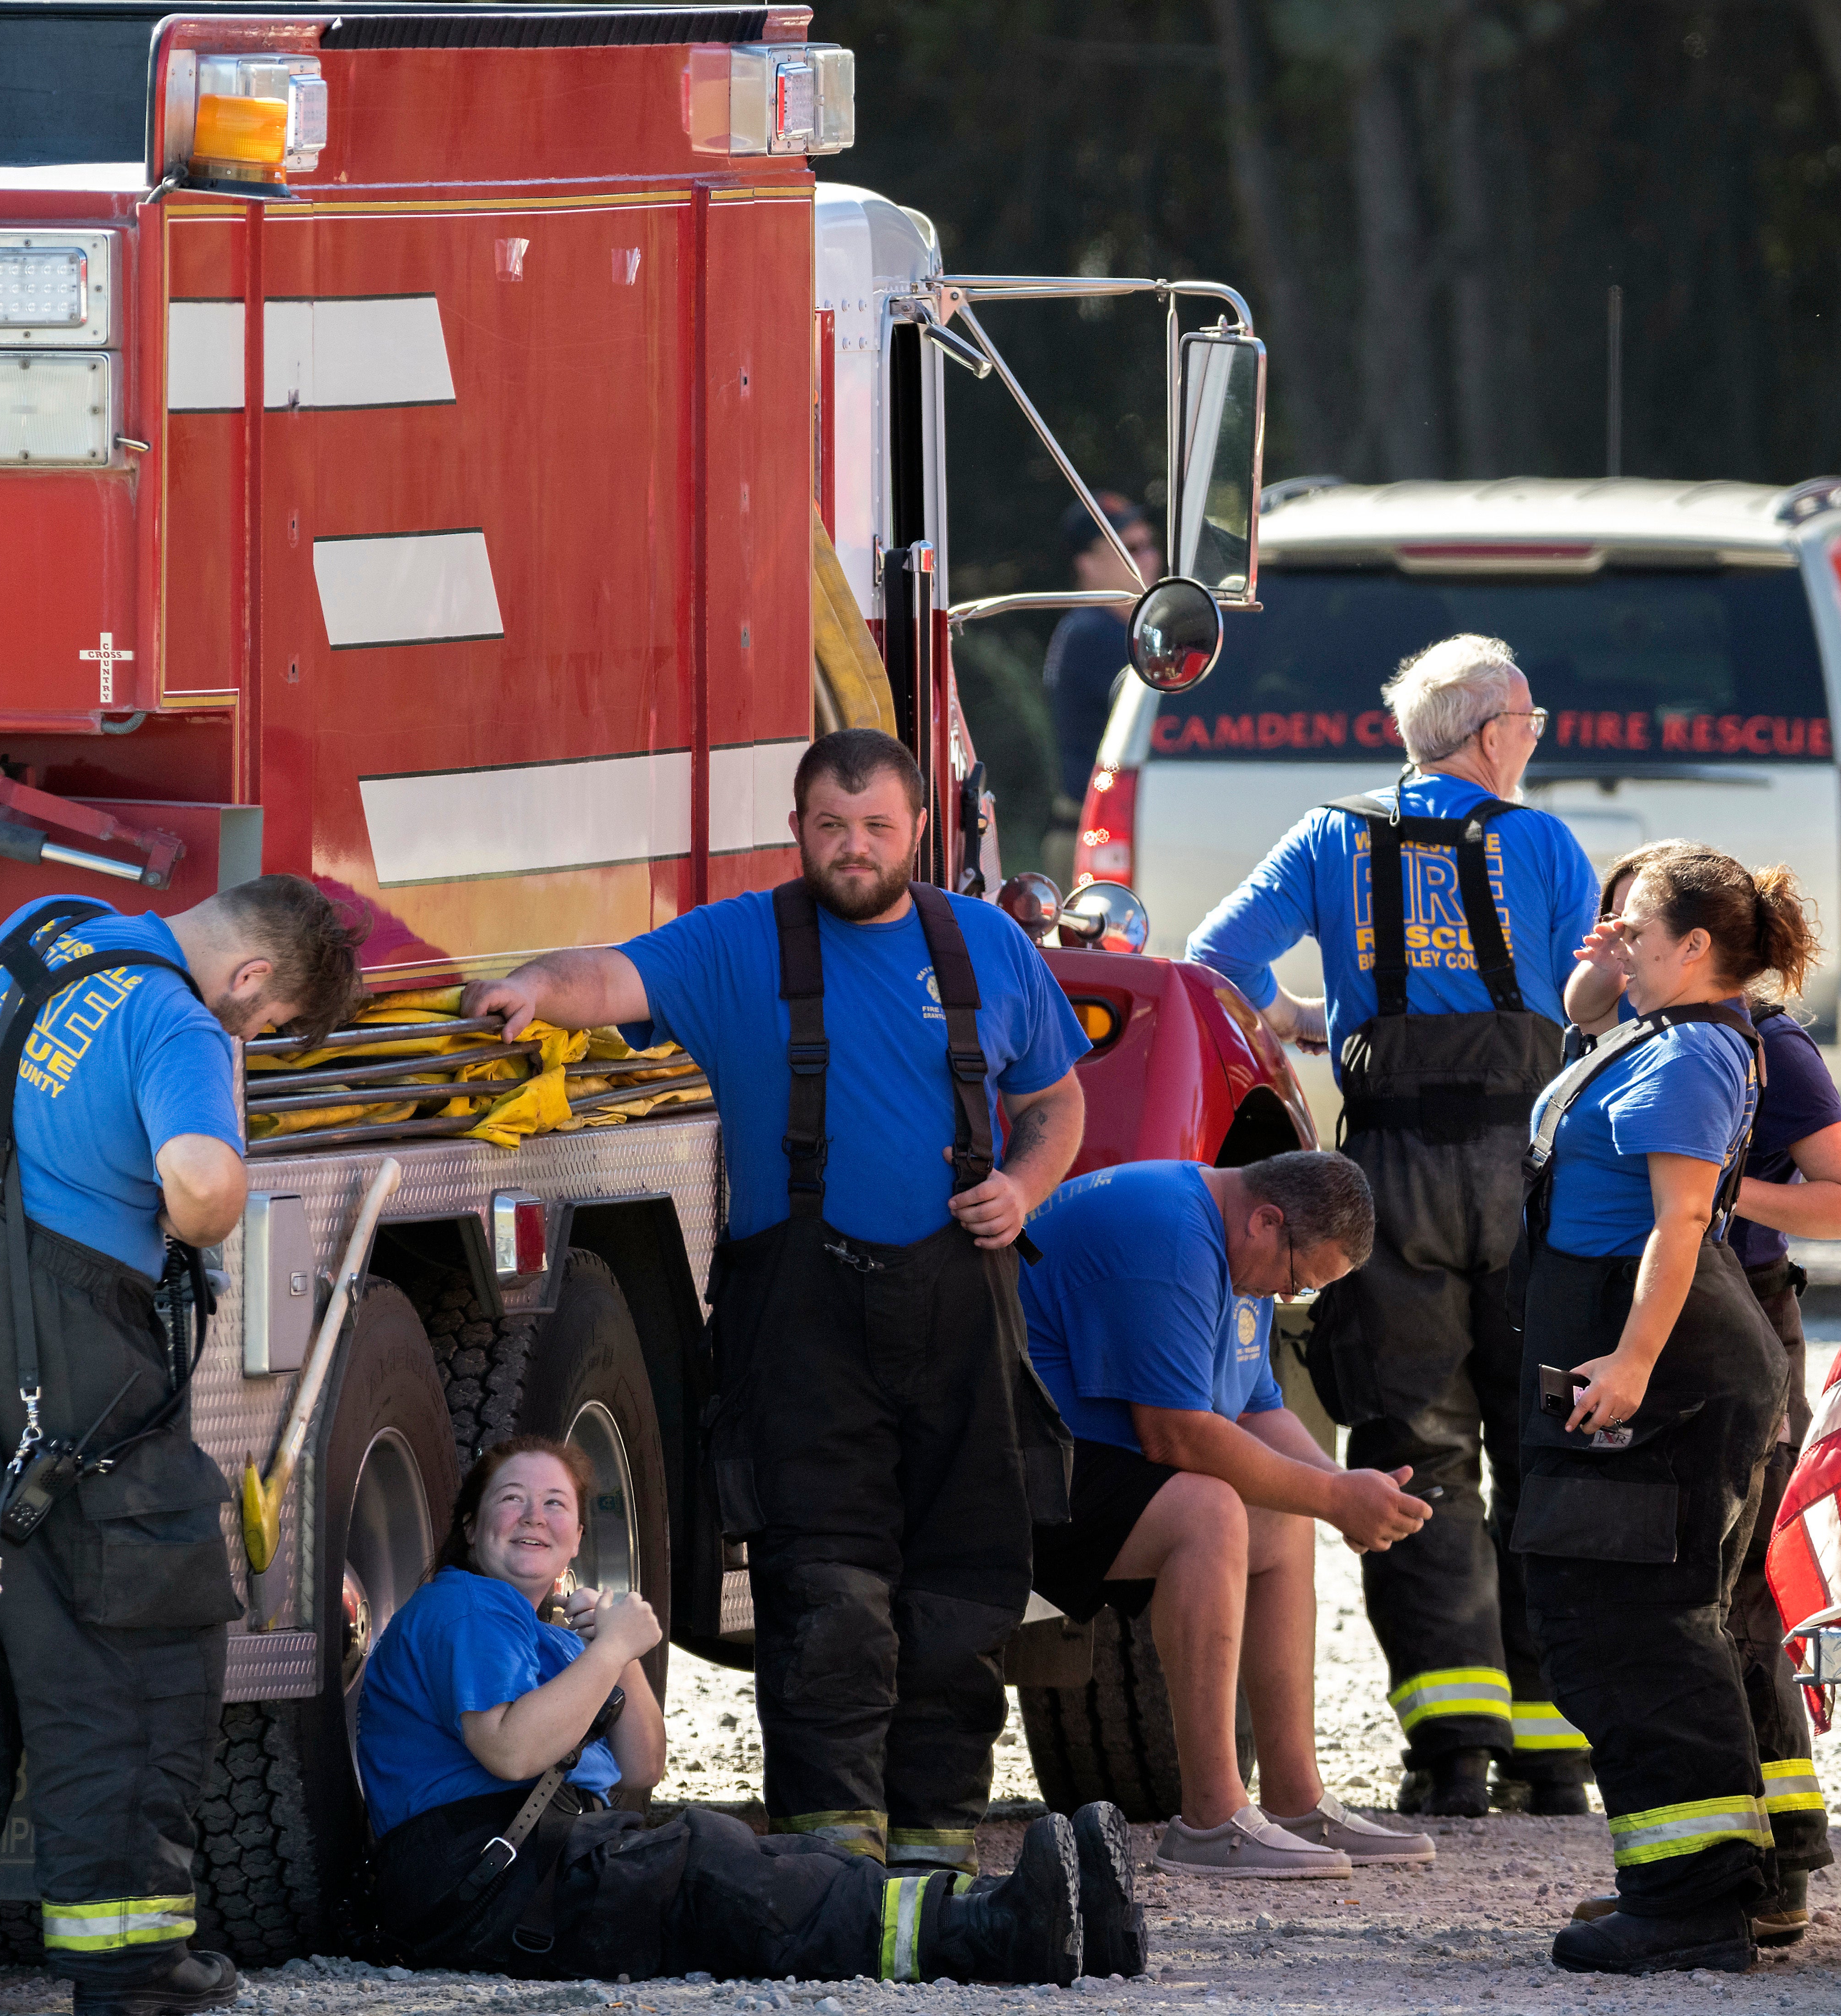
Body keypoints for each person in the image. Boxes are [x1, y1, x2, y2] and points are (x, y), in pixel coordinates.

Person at [460, 728, 1089, 1875]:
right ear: (798, 829)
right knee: (825, 1585)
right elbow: (611, 976)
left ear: (916, 833)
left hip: (961, 1307)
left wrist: (1022, 1182)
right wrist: (532, 989)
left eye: (878, 829)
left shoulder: (986, 943)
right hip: (802, 1327)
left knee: (964, 1582)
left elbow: (1055, 1100)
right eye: (832, 827)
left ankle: (939, 1842)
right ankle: (830, 1853)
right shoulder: (740, 941)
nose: (855, 849)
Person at [0, 878, 369, 2016]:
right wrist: (218, 1193)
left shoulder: (42, 931)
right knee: (129, 1630)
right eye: (259, 1024)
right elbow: (201, 1188)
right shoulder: (179, 1017)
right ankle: (127, 1961)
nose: (243, 1034)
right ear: (252, 979)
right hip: (50, 1327)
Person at [1184, 634, 1600, 1818]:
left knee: (1411, 1440)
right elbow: (1580, 1008)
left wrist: (1315, 1019)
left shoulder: (1331, 834)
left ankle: (1448, 1749)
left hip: (1388, 1178)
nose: (1534, 736)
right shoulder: (1546, 844)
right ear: (1487, 733)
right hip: (1524, 1173)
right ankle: (1556, 1751)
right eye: (1526, 719)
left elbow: (1214, 960)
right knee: (1546, 1446)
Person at [359, 1437, 1142, 1983]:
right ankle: (996, 1933)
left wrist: (618, 1648)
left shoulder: (548, 1636)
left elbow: (642, 1764)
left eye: (555, 1503)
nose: (533, 1514)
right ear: (470, 1526)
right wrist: (610, 1651)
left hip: (534, 1864)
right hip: (477, 1882)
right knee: (711, 1865)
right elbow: (509, 1751)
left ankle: (1063, 1920)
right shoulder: (470, 1606)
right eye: (512, 1499)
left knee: (785, 1858)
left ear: (573, 1542)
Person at [1511, 845, 1810, 1976]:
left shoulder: (1691, 1052)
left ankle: (1688, 1903)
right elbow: (1576, 1019)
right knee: (1646, 1617)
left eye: (1633, 929)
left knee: (1632, 1624)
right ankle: (1725, 1881)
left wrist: (1633, 1364)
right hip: (1627, 1353)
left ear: (1695, 947)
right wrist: (1606, 966)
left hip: (1664, 1370)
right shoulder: (1652, 1026)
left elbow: (1679, 1224)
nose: (1613, 942)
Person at [1022, 1151, 1440, 1878]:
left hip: (1081, 1457)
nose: (1285, 1296)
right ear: (1269, 1219)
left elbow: (1254, 1409)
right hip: (1005, 1464)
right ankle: (1209, 1821)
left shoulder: (1239, 1243)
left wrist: (1343, 1488)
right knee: (1211, 1509)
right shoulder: (1171, 1231)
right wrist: (1334, 1496)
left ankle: (1292, 1800)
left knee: (1280, 1520)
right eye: (1295, 1280)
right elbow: (1175, 1433)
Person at [1042, 492, 1162, 819]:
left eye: (1149, 544)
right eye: (1131, 549)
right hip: (1094, 827)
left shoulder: (1110, 630)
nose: (1149, 557)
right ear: (1088, 565)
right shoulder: (1092, 634)